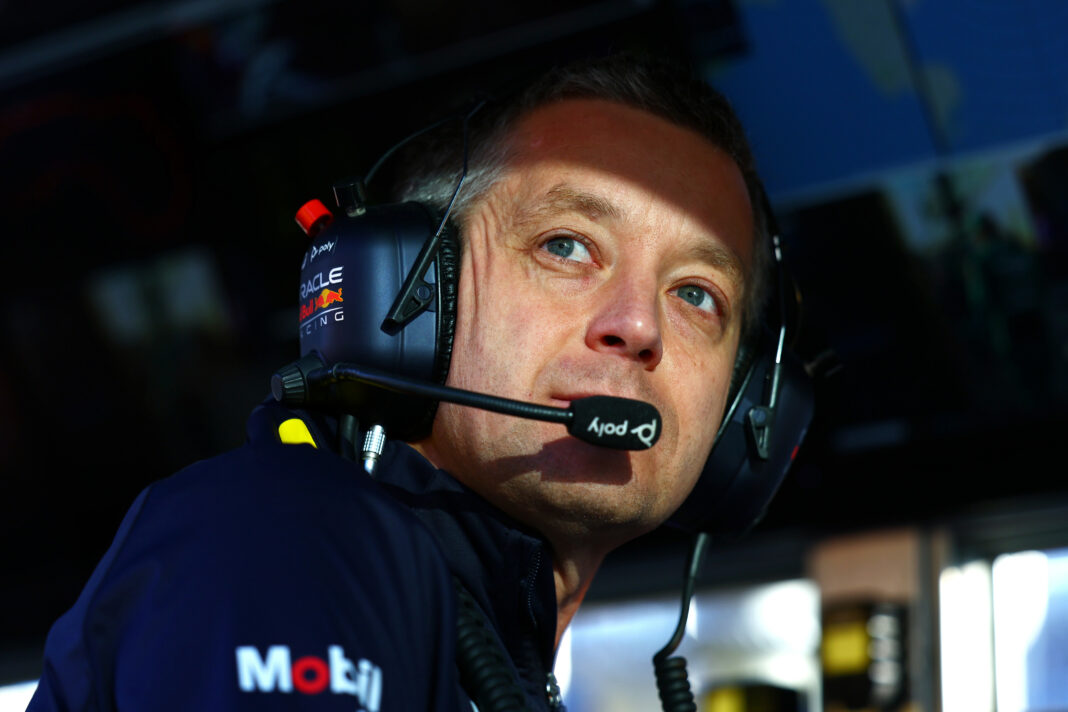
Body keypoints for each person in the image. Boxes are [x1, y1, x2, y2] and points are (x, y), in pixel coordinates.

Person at [28, 51, 783, 712]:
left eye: (697, 294)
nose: (640, 326)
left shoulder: (467, 641)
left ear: (740, 408)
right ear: (407, 298)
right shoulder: (297, 534)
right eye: (566, 246)